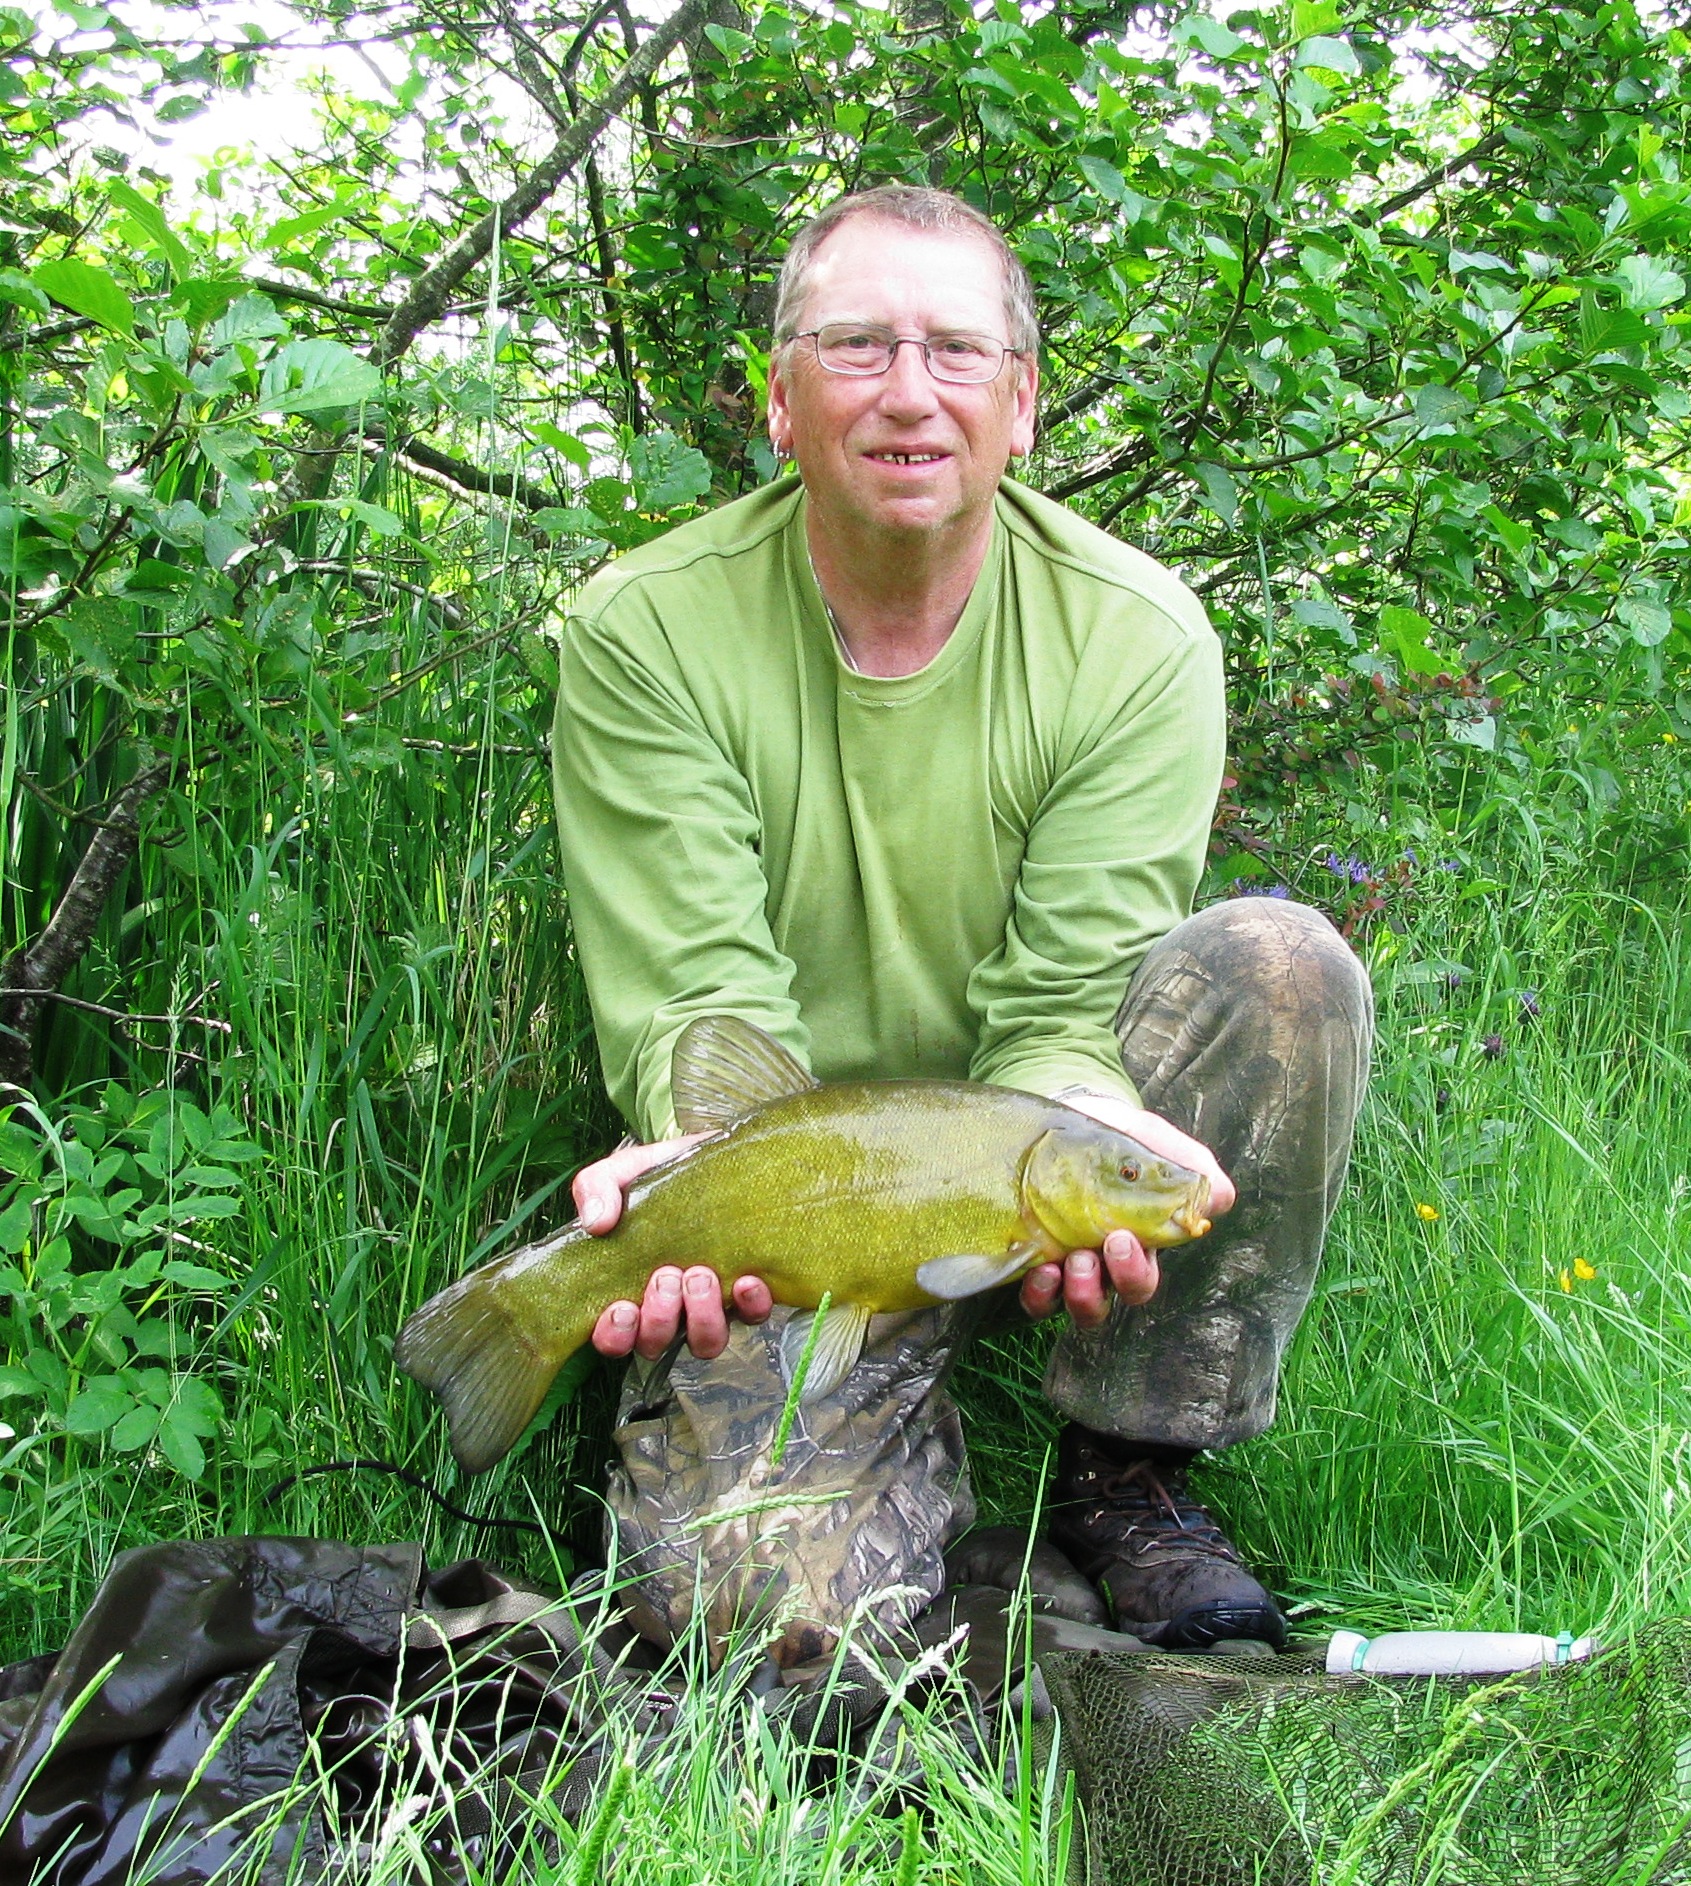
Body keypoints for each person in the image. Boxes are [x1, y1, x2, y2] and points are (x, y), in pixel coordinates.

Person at [549, 185, 1373, 1668]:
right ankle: (887, 1440)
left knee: (1283, 966)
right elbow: (699, 1013)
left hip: (1020, 1159)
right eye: (857, 346)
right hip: (800, 1199)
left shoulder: (1136, 635)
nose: (910, 395)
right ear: (782, 401)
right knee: (756, 1631)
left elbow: (1065, 1006)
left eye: (956, 352)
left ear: (1024, 403)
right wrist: (697, 1181)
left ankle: (1133, 1459)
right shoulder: (647, 629)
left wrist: (1081, 1133)